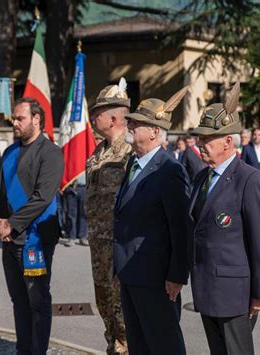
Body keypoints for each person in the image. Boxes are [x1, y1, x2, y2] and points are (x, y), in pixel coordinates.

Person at [189, 82, 260, 355]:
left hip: (234, 292)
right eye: (200, 138)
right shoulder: (202, 177)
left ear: (228, 141)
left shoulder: (249, 180)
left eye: (207, 139)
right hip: (206, 286)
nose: (200, 144)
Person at [114, 87, 191, 355]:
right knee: (140, 345)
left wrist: (177, 275)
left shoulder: (169, 170)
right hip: (131, 271)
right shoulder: (135, 164)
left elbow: (180, 227)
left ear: (155, 132)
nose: (130, 125)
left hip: (156, 277)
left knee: (164, 345)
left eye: (138, 122)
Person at [0, 97, 64, 355]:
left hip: (36, 239)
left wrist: (11, 223)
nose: (14, 122)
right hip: (9, 238)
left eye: (20, 118)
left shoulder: (51, 153)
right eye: (14, 118)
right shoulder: (9, 152)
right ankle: (23, 349)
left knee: (37, 301)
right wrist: (1, 224)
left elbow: (42, 197)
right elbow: (0, 191)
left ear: (37, 119)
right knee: (18, 300)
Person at [87, 81, 133, 354]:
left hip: (121, 249)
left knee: (125, 316)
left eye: (98, 113)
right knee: (107, 311)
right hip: (99, 248)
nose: (93, 118)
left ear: (114, 117)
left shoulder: (130, 153)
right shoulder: (97, 153)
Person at [62, 172, 89, 247]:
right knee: (71, 214)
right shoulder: (67, 159)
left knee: (83, 213)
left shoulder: (85, 159)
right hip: (70, 187)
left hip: (83, 187)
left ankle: (83, 237)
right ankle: (72, 237)